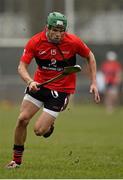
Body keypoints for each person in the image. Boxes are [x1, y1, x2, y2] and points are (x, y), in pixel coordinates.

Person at [6, 12, 100, 168]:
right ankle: (16, 161)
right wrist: (30, 81)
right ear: (47, 28)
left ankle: (49, 126)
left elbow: (90, 56)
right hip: (39, 85)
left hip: (61, 90)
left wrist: (94, 82)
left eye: (61, 30)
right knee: (22, 119)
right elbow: (21, 66)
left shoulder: (73, 42)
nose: (58, 34)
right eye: (55, 30)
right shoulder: (35, 42)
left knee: (39, 130)